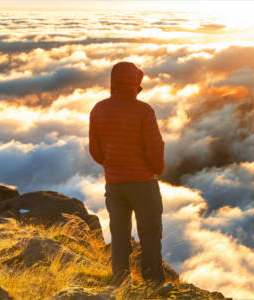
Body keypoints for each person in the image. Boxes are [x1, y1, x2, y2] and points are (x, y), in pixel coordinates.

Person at [88, 62, 165, 287]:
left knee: (119, 235)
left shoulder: (98, 109)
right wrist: (155, 170)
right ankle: (153, 284)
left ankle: (120, 282)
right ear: (135, 83)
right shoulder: (144, 111)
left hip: (115, 185)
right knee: (150, 234)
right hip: (143, 185)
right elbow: (155, 148)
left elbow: (96, 151)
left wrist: (113, 166)